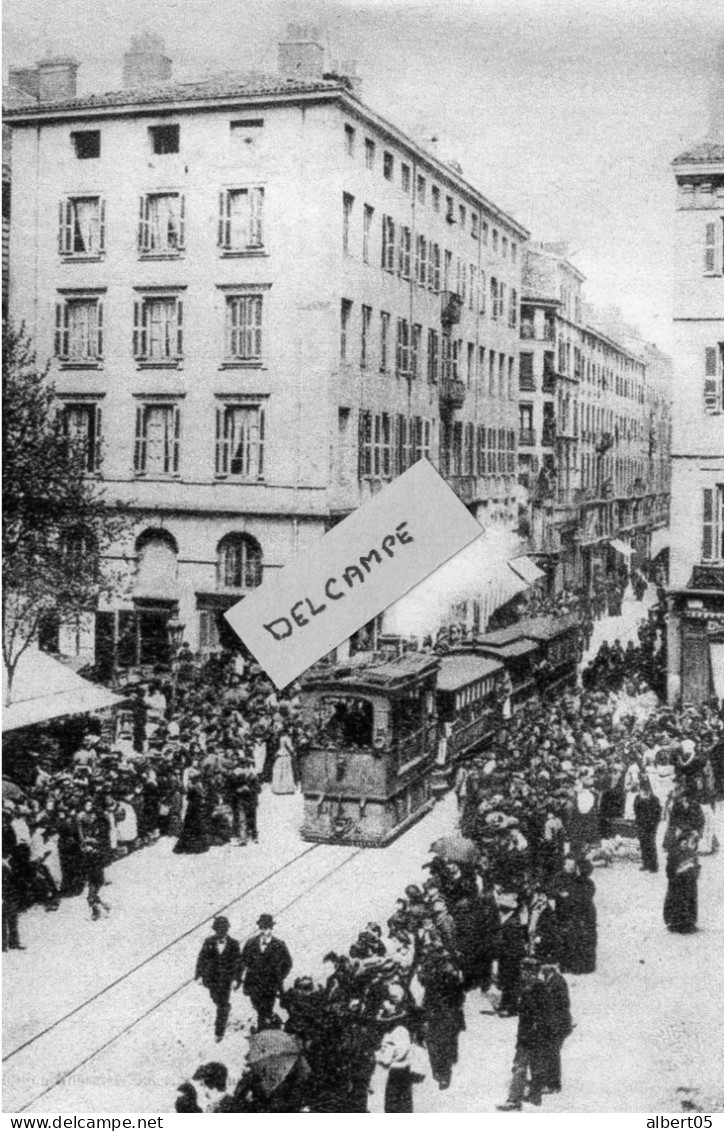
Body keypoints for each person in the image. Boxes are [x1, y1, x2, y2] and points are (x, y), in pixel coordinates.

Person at [239, 913, 293, 1030]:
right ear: (260, 927)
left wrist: (278, 976)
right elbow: (243, 961)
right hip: (254, 984)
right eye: (262, 927)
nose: (265, 931)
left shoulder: (279, 945)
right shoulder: (250, 943)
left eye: (267, 928)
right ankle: (266, 1025)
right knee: (258, 1008)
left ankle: (264, 1029)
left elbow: (287, 963)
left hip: (270, 985)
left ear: (271, 928)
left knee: (266, 1009)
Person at [195, 916, 242, 1041]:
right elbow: (201, 958)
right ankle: (224, 1008)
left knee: (222, 1005)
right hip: (211, 979)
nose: (221, 932)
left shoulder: (234, 944)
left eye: (224, 929)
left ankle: (219, 1031)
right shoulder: (209, 942)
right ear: (215, 930)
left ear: (227, 929)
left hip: (226, 980)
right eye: (219, 929)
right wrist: (199, 975)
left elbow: (239, 963)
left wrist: (237, 979)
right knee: (216, 999)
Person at [663, 829, 701, 934]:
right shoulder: (678, 854)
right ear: (683, 842)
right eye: (692, 843)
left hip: (684, 884)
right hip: (680, 884)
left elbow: (696, 868)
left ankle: (683, 923)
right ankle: (682, 923)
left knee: (685, 902)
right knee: (682, 902)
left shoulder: (690, 854)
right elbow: (670, 870)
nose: (694, 846)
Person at [634, 776, 662, 873]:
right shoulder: (638, 798)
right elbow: (636, 810)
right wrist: (642, 801)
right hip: (641, 824)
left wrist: (654, 824)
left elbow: (658, 813)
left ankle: (653, 866)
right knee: (643, 844)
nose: (645, 790)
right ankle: (646, 864)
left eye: (646, 788)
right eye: (643, 788)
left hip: (651, 825)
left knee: (651, 844)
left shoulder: (655, 799)